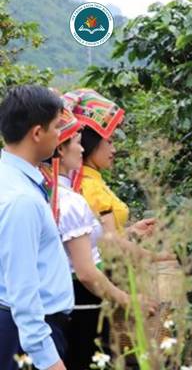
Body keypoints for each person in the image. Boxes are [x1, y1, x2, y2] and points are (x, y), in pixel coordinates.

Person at [41, 103, 159, 369]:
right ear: (60, 148)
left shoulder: (50, 191)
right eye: (78, 142)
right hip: (86, 297)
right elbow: (85, 269)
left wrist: (129, 232)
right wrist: (129, 299)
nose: (81, 150)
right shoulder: (72, 199)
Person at [0, 85, 73, 370]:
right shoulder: (21, 200)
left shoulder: (12, 180)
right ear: (37, 133)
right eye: (57, 126)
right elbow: (23, 293)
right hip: (28, 336)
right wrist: (49, 360)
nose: (60, 135)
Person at [63, 89, 156, 239]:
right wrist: (158, 258)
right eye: (109, 142)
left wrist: (132, 231)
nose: (114, 150)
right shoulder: (89, 186)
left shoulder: (93, 180)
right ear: (91, 143)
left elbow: (102, 238)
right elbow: (110, 247)